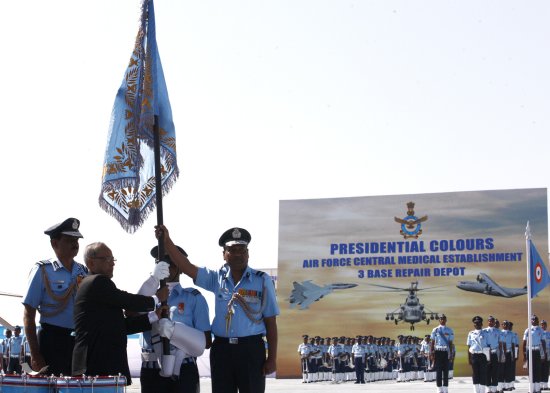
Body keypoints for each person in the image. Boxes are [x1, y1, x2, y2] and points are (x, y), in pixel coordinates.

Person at [155, 225, 279, 393]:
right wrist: (166, 241)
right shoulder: (216, 279)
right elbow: (186, 266)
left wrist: (271, 358)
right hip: (222, 350)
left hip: (251, 349)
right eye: (232, 250)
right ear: (224, 254)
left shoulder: (262, 281)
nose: (238, 254)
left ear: (248, 253)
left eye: (242, 250)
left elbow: (271, 321)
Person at [72, 242, 169, 385]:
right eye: (107, 259)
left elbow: (121, 326)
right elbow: (126, 300)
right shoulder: (96, 282)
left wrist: (155, 316)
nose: (112, 264)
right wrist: (156, 298)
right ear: (91, 263)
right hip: (97, 365)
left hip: (102, 365)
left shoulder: (98, 289)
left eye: (113, 259)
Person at [138, 245, 211, 393]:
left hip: (183, 369)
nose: (165, 267)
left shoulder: (194, 298)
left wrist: (177, 331)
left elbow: (206, 342)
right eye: (160, 263)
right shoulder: (146, 295)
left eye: (170, 263)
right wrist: (153, 283)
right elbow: (132, 313)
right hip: (152, 369)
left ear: (180, 267)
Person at [22, 218, 88, 375]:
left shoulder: (83, 271)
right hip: (51, 339)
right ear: (55, 244)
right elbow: (28, 315)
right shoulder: (42, 270)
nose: (75, 244)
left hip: (78, 341)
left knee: (76, 387)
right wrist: (35, 354)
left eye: (77, 240)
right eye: (69, 240)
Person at [523, 315, 547, 393]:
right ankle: (531, 388)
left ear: (537, 321)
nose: (534, 321)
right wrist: (524, 355)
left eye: (535, 319)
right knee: (530, 369)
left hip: (537, 351)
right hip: (529, 350)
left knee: (537, 369)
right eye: (532, 319)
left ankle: (537, 388)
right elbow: (524, 343)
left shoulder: (540, 330)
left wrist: (543, 354)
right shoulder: (527, 330)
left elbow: (543, 342)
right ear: (530, 321)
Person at [430, 314, 454, 393]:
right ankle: (439, 388)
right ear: (439, 320)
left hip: (446, 352)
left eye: (444, 319)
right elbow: (432, 342)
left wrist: (451, 354)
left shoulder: (449, 330)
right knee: (439, 371)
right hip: (438, 352)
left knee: (446, 371)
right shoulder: (435, 330)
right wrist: (431, 353)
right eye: (441, 319)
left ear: (446, 320)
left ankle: (445, 388)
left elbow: (450, 343)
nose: (442, 320)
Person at [467, 316, 490, 393]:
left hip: (483, 355)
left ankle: (482, 391)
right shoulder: (471, 333)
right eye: (476, 323)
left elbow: (488, 346)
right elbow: (469, 347)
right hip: (474, 355)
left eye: (479, 323)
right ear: (474, 325)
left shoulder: (486, 333)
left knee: (483, 373)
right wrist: (469, 358)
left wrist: (488, 358)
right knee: (475, 373)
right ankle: (476, 391)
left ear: (482, 324)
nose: (477, 324)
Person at [541, 320, 550, 391]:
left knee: (546, 369)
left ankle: (545, 385)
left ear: (546, 326)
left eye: (544, 324)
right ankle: (540, 385)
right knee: (540, 369)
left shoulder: (548, 333)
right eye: (541, 325)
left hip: (547, 352)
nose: (543, 326)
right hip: (540, 352)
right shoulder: (539, 333)